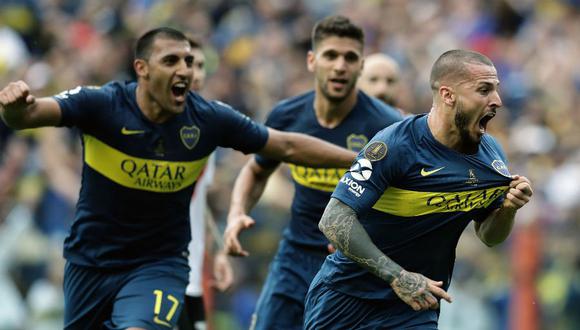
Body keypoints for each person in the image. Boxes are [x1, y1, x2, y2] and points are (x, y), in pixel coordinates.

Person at [0, 27, 356, 330]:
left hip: (159, 265)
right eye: (171, 61)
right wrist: (14, 107)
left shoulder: (208, 120)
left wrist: (359, 161)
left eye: (188, 60)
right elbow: (28, 115)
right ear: (142, 68)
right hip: (90, 263)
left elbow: (287, 146)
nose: (184, 69)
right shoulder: (102, 104)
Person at [303, 49, 534, 329]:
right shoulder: (395, 145)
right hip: (346, 298)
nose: (496, 100)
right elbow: (334, 219)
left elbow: (489, 236)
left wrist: (508, 209)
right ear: (448, 95)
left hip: (415, 307)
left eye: (496, 90)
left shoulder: (492, 155)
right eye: (483, 90)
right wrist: (398, 277)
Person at [223, 15, 402, 329]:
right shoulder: (287, 115)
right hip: (295, 257)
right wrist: (237, 212)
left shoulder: (385, 126)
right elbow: (256, 170)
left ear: (360, 66)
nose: (339, 66)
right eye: (330, 55)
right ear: (312, 60)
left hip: (354, 266)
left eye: (349, 58)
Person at [177, 38, 233, 330]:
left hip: (194, 270)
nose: (193, 74)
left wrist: (220, 251)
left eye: (199, 65)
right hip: (157, 269)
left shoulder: (207, 125)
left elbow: (199, 204)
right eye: (186, 64)